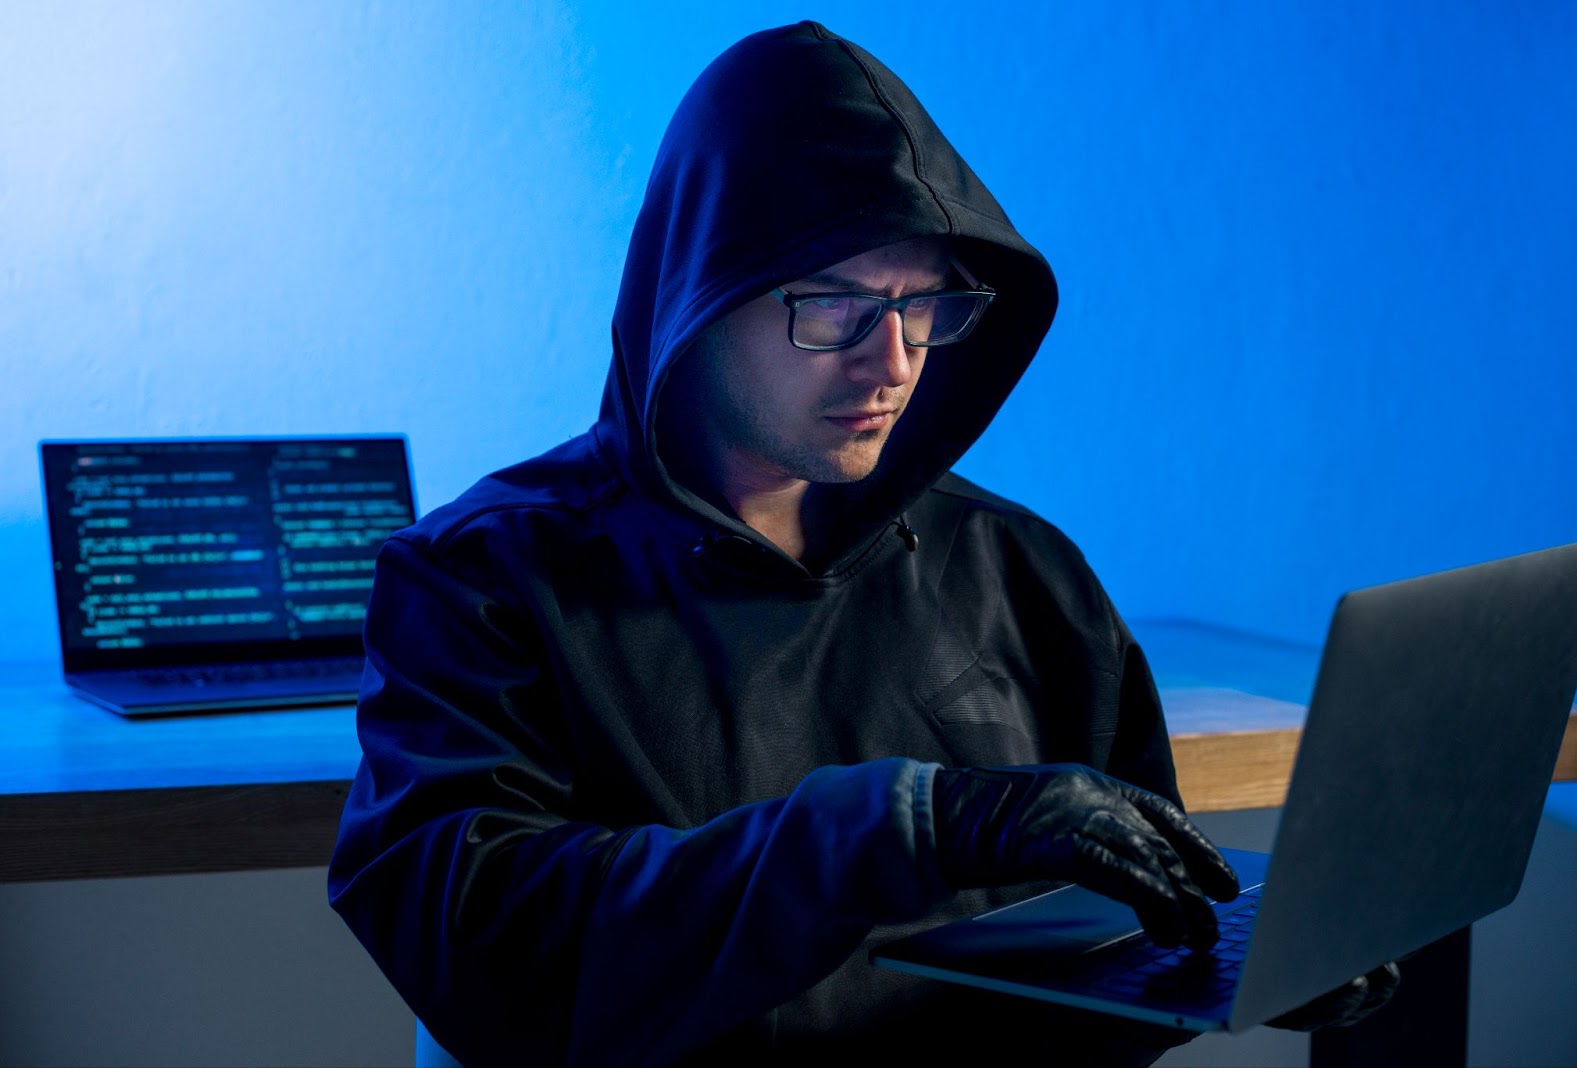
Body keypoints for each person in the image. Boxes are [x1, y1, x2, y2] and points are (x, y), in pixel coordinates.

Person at [329, 21, 1396, 1065]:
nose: (889, 361)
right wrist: (909, 828)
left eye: (921, 304)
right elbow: (486, 947)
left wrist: (1222, 969)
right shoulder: (480, 581)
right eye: (832, 304)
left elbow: (1099, 948)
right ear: (692, 306)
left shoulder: (1021, 572)